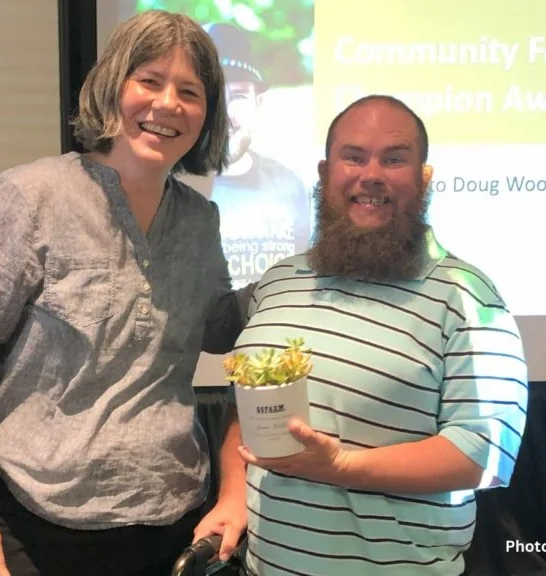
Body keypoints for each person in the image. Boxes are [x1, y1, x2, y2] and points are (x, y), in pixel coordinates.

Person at [0, 10, 254, 576]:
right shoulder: (31, 197)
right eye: (149, 81)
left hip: (172, 520)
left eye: (190, 91)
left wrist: (306, 277)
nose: (167, 104)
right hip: (33, 524)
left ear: (207, 114)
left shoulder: (201, 220)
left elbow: (222, 329)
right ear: (112, 87)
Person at [204, 94, 529, 575]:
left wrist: (343, 468)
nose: (370, 174)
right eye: (353, 156)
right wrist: (233, 494)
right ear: (324, 172)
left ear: (423, 178)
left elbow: (485, 454)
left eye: (394, 159)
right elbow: (246, 405)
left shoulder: (467, 296)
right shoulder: (278, 282)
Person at [199, 22, 313, 290]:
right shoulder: (169, 190)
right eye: (214, 97)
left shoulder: (289, 186)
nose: (225, 114)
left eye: (238, 96)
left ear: (257, 104)